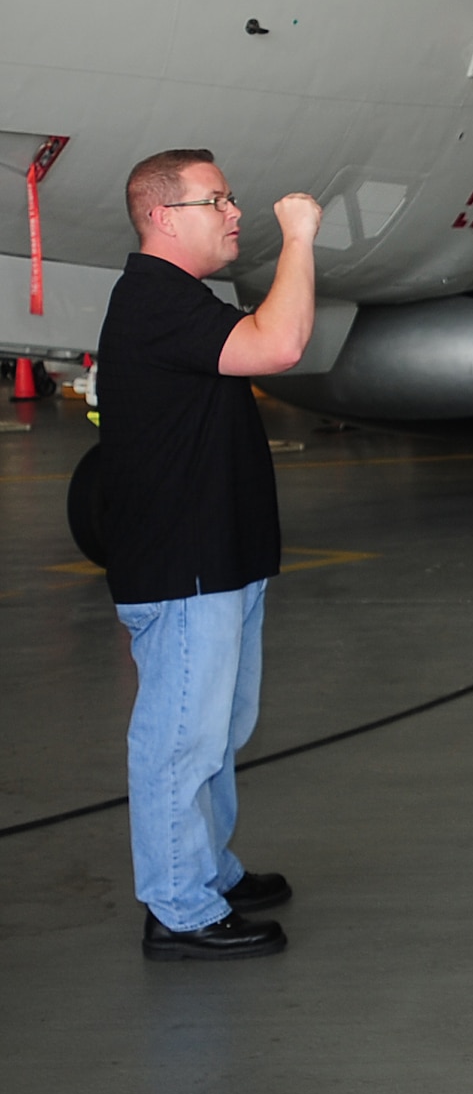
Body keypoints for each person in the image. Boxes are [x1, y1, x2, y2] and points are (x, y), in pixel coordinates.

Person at [98, 150, 321, 960]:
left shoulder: (182, 298)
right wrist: (298, 238)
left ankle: (208, 872)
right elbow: (280, 343)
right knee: (181, 738)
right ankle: (179, 910)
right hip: (186, 568)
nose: (234, 212)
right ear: (163, 216)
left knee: (218, 730)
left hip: (220, 560)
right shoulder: (155, 299)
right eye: (216, 200)